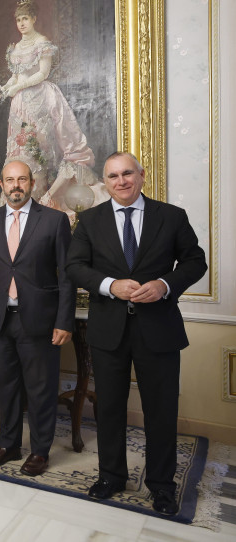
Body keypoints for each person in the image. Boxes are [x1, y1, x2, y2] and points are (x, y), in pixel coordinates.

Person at [67, 152, 206, 516]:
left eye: (127, 173)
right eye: (113, 176)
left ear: (142, 175)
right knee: (109, 409)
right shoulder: (90, 219)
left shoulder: (171, 216)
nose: (121, 181)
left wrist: (164, 284)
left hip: (158, 329)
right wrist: (110, 285)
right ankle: (111, 476)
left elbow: (195, 261)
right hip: (108, 331)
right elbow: (74, 266)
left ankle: (162, 486)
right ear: (105, 181)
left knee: (160, 412)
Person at [0, 160, 74, 476]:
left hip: (40, 320)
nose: (16, 185)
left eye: (22, 180)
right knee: (8, 386)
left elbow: (67, 276)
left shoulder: (55, 221)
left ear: (32, 184)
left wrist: (64, 321)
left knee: (41, 389)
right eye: (10, 180)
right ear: (1, 184)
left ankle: (40, 451)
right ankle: (9, 444)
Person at [0, 0, 97, 210]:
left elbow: (42, 73)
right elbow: (15, 76)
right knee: (18, 146)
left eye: (25, 19)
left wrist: (17, 88)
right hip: (19, 102)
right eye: (18, 20)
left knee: (37, 145)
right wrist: (3, 89)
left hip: (40, 98)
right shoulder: (16, 48)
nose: (21, 24)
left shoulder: (42, 43)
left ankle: (38, 196)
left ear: (34, 19)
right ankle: (16, 198)